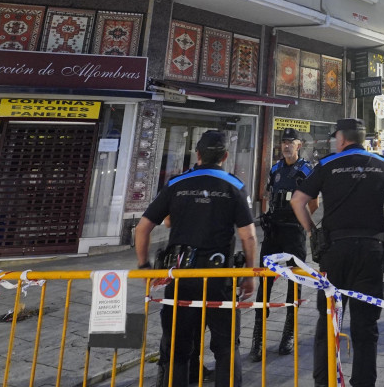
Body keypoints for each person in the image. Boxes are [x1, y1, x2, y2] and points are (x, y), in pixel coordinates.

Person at [291, 118, 384, 387]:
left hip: (334, 252)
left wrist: (312, 231)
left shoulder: (327, 164)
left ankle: (324, 383)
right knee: (365, 327)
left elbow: (298, 200)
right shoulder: (381, 164)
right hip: (371, 251)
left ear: (341, 139)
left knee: (328, 324)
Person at [134, 130, 258, 387]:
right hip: (219, 278)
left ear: (197, 154)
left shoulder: (177, 184)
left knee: (178, 349)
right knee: (226, 347)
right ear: (225, 156)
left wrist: (144, 267)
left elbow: (143, 228)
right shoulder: (234, 186)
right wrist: (249, 273)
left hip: (181, 278)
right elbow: (248, 236)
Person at [250, 128, 317, 361]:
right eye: (284, 142)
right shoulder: (275, 169)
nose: (287, 145)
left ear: (299, 145)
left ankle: (287, 336)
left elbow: (314, 203)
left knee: (293, 285)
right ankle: (257, 340)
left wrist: (298, 219)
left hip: (294, 234)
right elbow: (269, 195)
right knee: (264, 284)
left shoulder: (307, 170)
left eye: (291, 142)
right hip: (273, 233)